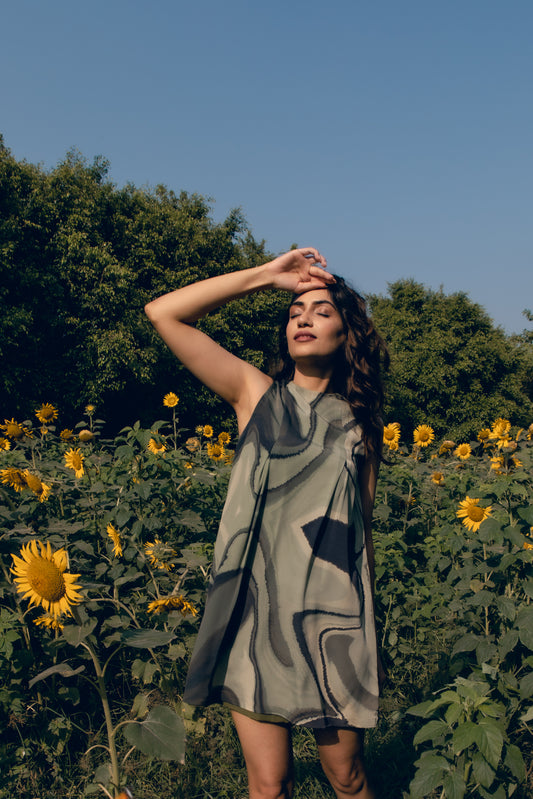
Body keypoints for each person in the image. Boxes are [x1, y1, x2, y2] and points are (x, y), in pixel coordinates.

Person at [144, 247, 388, 799]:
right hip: (255, 620)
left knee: (347, 779)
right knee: (269, 785)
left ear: (348, 335)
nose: (302, 316)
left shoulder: (361, 429)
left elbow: (361, 537)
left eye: (322, 310)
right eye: (295, 309)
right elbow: (163, 312)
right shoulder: (257, 397)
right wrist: (264, 278)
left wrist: (370, 633)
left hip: (336, 627)